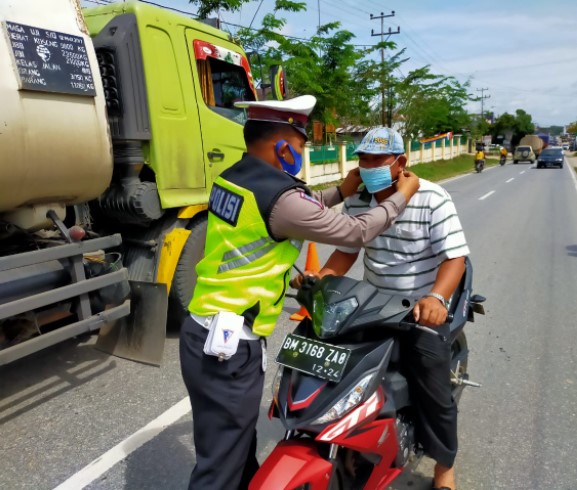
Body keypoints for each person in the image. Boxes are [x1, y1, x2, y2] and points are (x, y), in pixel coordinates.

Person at [179, 97, 420, 490]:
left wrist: (341, 191)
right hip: (228, 344)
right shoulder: (281, 197)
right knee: (219, 466)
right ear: (284, 148)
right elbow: (355, 232)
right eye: (302, 146)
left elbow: (294, 207)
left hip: (200, 329)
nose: (302, 154)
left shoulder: (233, 177)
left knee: (231, 446)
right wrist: (400, 196)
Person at [293, 127, 469, 490]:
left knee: (432, 386)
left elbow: (455, 258)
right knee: (338, 366)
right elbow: (348, 248)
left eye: (377, 159)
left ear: (400, 162)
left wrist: (436, 298)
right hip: (372, 305)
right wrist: (322, 277)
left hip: (419, 309)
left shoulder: (434, 198)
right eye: (363, 159)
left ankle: (444, 466)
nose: (368, 165)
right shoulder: (358, 200)